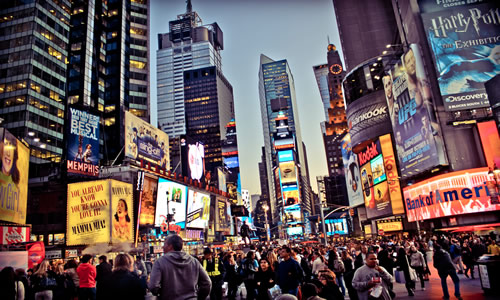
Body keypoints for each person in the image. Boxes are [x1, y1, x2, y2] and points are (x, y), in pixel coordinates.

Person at [148, 234, 211, 300]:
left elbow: (153, 286)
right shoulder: (194, 261)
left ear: (170, 246)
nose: (163, 247)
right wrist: (199, 297)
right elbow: (207, 283)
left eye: (164, 244)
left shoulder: (160, 262)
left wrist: (163, 294)